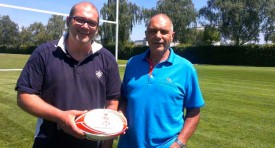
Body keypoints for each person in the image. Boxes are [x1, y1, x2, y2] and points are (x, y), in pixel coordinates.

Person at [15, 2, 121, 148]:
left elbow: (112, 102)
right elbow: (24, 97)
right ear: (68, 20)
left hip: (92, 144)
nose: (85, 26)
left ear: (97, 28)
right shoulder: (44, 53)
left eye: (91, 23)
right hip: (48, 142)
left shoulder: (107, 59)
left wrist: (106, 143)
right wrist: (60, 117)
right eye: (80, 20)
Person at [118, 13, 205, 148]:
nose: (158, 36)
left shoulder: (186, 68)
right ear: (146, 35)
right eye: (153, 31)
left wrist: (179, 143)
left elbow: (194, 110)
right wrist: (120, 114)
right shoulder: (132, 63)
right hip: (128, 144)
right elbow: (124, 98)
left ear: (172, 36)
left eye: (163, 32)